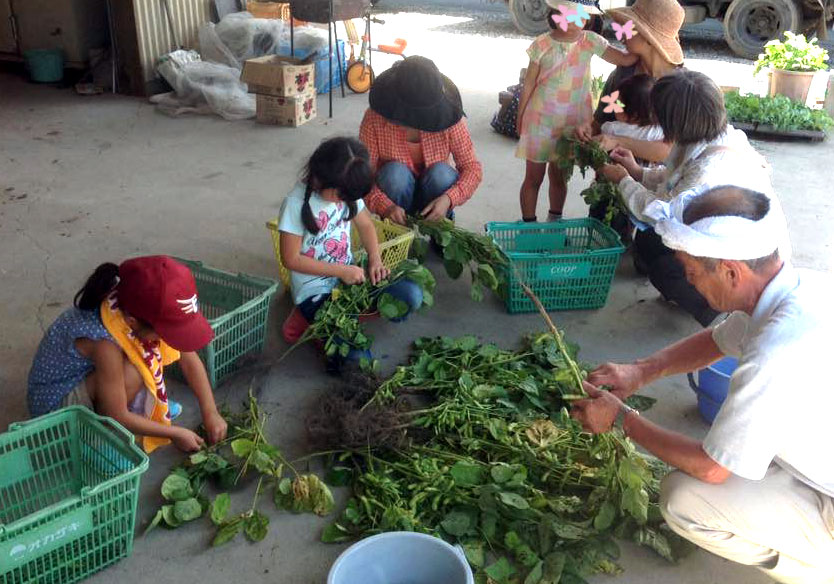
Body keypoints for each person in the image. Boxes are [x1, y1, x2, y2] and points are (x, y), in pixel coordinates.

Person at [571, 186, 834, 584]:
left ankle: (818, 565)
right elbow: (716, 340)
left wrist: (623, 419)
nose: (690, 284)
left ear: (731, 271)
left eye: (693, 273)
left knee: (683, 499)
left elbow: (711, 469)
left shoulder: (776, 350)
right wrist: (638, 371)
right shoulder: (793, 288)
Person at [599, 69, 788, 326]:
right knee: (648, 245)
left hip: (743, 262)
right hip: (730, 241)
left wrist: (622, 181)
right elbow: (674, 178)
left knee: (666, 270)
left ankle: (721, 317)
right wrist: (636, 171)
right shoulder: (712, 136)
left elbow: (661, 210)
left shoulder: (711, 169)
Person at [27, 256, 228, 453]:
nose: (168, 339)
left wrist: (211, 412)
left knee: (142, 360)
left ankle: (142, 406)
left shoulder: (129, 305)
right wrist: (173, 433)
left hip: (90, 377)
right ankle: (99, 441)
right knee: (135, 371)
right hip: (55, 412)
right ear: (132, 322)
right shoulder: (105, 344)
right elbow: (115, 414)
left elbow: (188, 358)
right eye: (164, 332)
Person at [279, 137, 423, 370]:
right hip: (315, 290)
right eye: (341, 196)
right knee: (358, 362)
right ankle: (308, 320)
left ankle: (332, 325)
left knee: (412, 295)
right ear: (320, 179)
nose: (346, 201)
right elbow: (291, 259)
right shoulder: (295, 204)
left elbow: (366, 225)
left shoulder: (346, 188)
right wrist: (341, 271)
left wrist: (375, 260)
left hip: (352, 276)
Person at [515, 0, 637, 223]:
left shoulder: (590, 41)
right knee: (533, 177)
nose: (577, 21)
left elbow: (625, 59)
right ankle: (528, 227)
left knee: (559, 177)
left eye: (583, 16)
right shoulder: (541, 44)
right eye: (570, 14)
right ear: (556, 12)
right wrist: (520, 116)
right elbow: (529, 83)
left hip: (572, 126)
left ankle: (555, 224)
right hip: (539, 122)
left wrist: (636, 37)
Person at [359, 56, 482, 226]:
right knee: (395, 175)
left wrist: (448, 199)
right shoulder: (374, 118)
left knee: (441, 175)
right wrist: (385, 207)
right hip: (395, 197)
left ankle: (440, 224)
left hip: (435, 192)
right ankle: (397, 230)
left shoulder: (449, 120)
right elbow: (362, 176)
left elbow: (472, 168)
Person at [576, 0, 685, 164]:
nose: (622, 33)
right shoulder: (623, 74)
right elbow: (601, 122)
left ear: (650, 39)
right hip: (612, 176)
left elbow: (667, 151)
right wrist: (588, 130)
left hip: (656, 184)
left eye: (629, 27)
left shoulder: (681, 88)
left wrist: (617, 141)